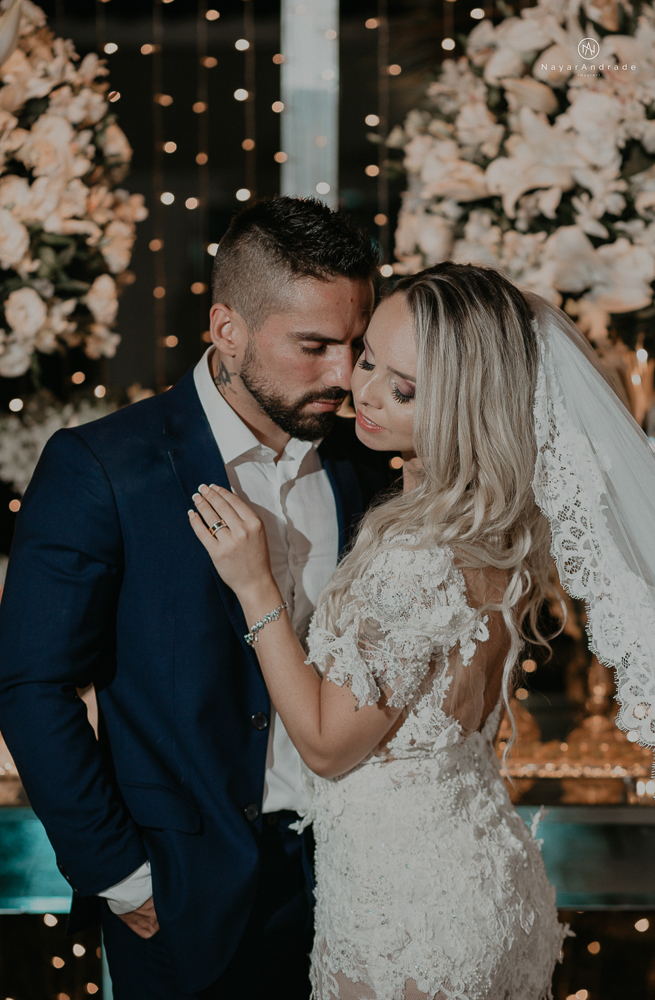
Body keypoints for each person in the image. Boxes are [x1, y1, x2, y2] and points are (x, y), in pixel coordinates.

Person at [187, 259, 655, 1000]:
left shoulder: (416, 555)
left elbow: (324, 743)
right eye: (368, 357)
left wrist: (255, 588)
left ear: (464, 404)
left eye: (401, 387)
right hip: (487, 878)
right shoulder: (496, 529)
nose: (361, 390)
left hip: (408, 914)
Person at [0, 196, 392, 999]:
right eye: (313, 345)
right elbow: (31, 685)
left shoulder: (370, 463)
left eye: (356, 345)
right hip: (183, 892)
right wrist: (123, 876)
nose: (343, 374)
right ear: (227, 330)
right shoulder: (104, 468)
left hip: (363, 886)